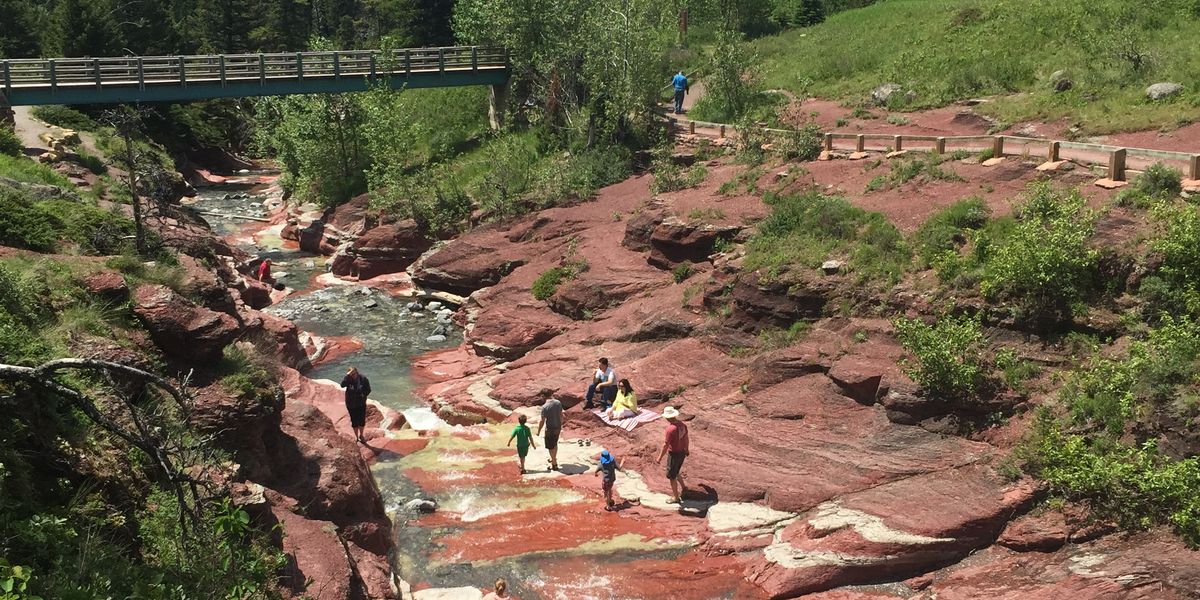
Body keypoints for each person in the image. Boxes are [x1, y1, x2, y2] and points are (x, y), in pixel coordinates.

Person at [656, 406, 689, 504]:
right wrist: (687, 449)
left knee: (671, 476)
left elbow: (666, 445)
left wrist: (659, 457)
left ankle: (676, 497)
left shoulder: (670, 429)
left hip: (674, 454)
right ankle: (684, 487)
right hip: (682, 452)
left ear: (667, 417)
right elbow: (686, 438)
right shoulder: (682, 425)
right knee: (676, 470)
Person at [339, 367, 371, 444]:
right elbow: (342, 385)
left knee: (361, 420)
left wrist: (363, 394)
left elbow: (368, 389)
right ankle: (356, 437)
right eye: (351, 374)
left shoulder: (363, 379)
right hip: (351, 404)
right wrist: (347, 376)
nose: (353, 375)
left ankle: (361, 435)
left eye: (354, 373)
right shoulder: (348, 379)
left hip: (361, 403)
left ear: (357, 372)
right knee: (354, 421)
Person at [535, 396, 563, 471]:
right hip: (558, 426)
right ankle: (553, 458)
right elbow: (561, 415)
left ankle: (554, 463)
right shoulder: (558, 403)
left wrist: (538, 431)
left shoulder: (545, 407)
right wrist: (561, 424)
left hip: (550, 428)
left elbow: (542, 421)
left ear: (543, 396)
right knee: (555, 443)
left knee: (550, 446)